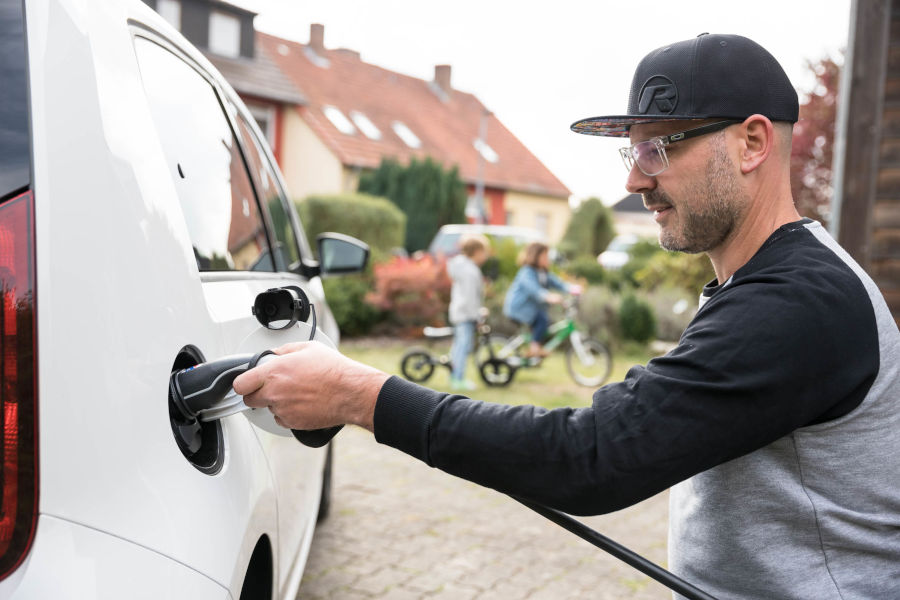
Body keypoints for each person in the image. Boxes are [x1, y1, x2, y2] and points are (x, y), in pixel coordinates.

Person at [234, 33, 900, 599]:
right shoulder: (765, 283)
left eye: (657, 149)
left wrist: (358, 394)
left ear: (752, 142)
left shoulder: (796, 303)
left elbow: (593, 457)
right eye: (630, 152)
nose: (634, 182)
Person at [503, 242, 571, 358]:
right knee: (542, 320)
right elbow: (533, 289)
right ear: (535, 256)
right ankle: (534, 349)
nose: (547, 259)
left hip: (530, 309)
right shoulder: (527, 272)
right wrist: (548, 296)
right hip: (519, 308)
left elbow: (557, 283)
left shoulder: (543, 273)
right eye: (544, 256)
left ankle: (534, 348)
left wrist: (571, 288)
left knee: (543, 322)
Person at [446, 233, 490, 390]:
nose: (486, 256)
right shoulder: (470, 271)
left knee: (459, 345)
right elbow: (471, 298)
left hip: (460, 312)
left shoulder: (463, 268)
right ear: (477, 251)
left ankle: (454, 376)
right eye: (485, 252)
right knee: (463, 347)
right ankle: (457, 379)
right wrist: (478, 315)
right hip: (466, 314)